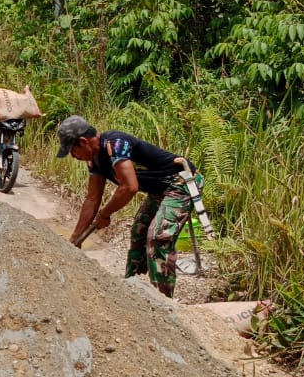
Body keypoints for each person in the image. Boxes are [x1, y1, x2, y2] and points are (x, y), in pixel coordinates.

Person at [56, 115, 204, 299]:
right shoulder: (94, 160)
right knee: (138, 232)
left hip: (180, 182)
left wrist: (105, 213)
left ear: (83, 142)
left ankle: (163, 300)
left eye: (72, 151)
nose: (73, 156)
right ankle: (131, 291)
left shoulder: (116, 144)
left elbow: (129, 187)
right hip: (159, 189)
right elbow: (92, 199)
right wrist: (74, 240)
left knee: (158, 236)